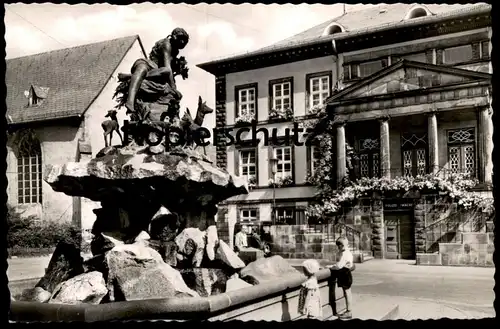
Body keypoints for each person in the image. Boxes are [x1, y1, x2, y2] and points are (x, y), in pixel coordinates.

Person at [124, 28, 189, 115]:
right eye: (181, 38)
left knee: (165, 74)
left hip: (157, 71)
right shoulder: (167, 44)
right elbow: (167, 68)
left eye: (184, 40)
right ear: (174, 36)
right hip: (147, 65)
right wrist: (174, 88)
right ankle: (130, 101)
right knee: (164, 70)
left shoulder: (175, 50)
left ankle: (131, 76)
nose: (182, 42)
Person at [327, 237, 355, 320]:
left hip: (344, 275)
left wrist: (330, 267)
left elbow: (339, 266)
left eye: (339, 246)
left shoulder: (344, 254)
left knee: (347, 293)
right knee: (347, 293)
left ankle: (349, 312)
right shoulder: (347, 252)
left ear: (342, 245)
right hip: (346, 274)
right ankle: (348, 311)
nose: (338, 248)